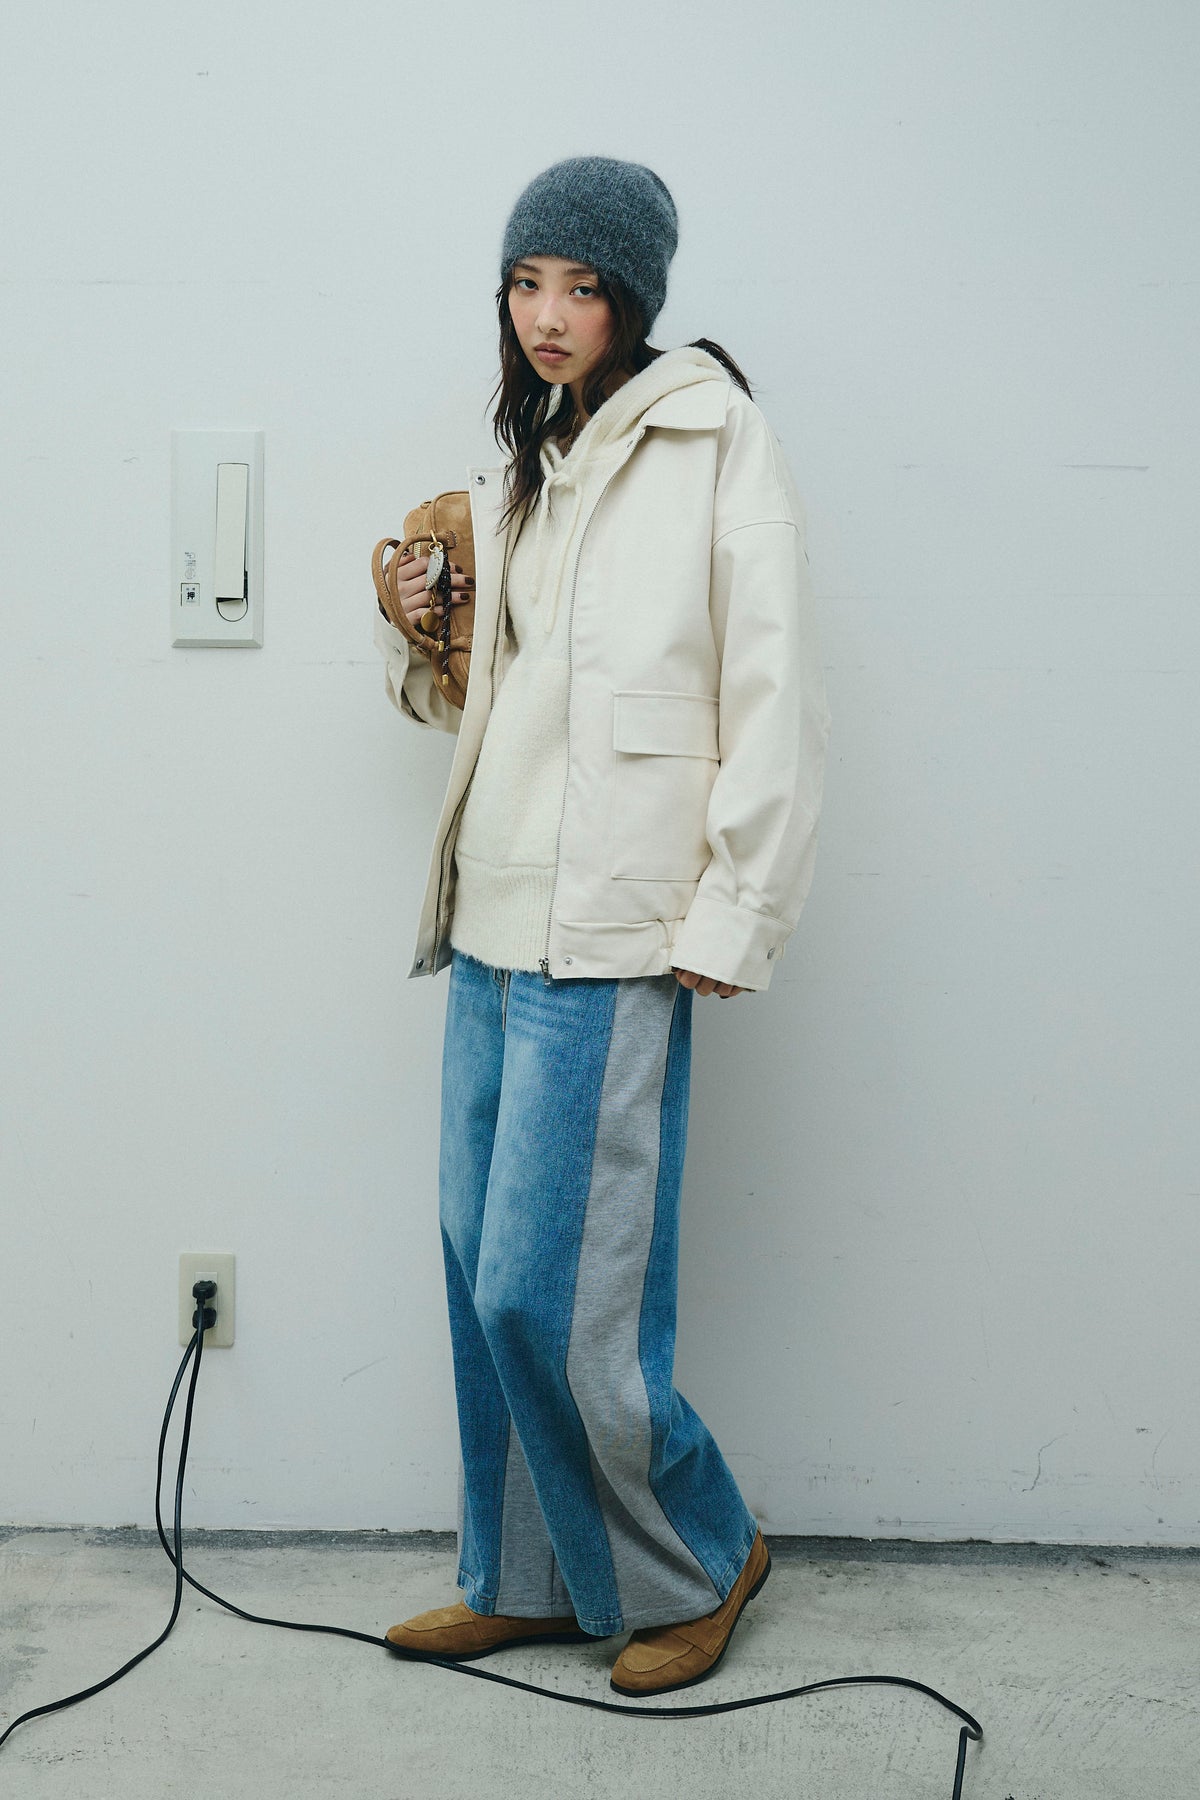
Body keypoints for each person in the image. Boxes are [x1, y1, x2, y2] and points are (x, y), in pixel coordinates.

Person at [373, 156, 831, 1696]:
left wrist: (738, 906)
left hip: (621, 927)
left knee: (556, 1290)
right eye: (526, 283)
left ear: (633, 297)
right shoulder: (532, 460)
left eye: (580, 285)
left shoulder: (712, 439)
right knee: (477, 1272)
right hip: (496, 913)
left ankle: (703, 1551)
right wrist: (424, 627)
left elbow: (776, 686)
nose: (548, 314)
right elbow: (489, 701)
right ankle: (530, 1576)